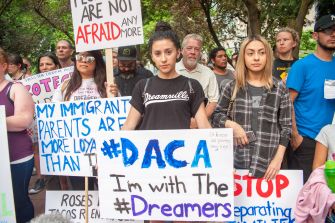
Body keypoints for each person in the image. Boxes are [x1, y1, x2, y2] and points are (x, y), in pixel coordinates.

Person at [122, 21, 211, 223]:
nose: (163, 58)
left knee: (184, 218)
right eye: (157, 53)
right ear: (152, 56)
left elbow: (204, 125)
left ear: (178, 52)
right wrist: (108, 157)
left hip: (183, 163)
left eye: (168, 52)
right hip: (151, 165)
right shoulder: (142, 86)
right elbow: (129, 126)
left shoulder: (192, 85)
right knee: (156, 219)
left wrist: (221, 159)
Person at [212, 35, 292, 180]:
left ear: (268, 56)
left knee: (266, 204)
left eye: (261, 53)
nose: (256, 58)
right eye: (250, 53)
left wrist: (278, 159)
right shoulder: (231, 87)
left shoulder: (279, 87)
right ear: (243, 57)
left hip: (269, 162)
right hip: (236, 163)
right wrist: (231, 125)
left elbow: (286, 127)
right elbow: (216, 116)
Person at [53, 50, 117, 189]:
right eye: (79, 57)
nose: (83, 60)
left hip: (103, 149)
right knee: (80, 192)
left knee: (105, 192)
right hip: (75, 152)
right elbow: (55, 116)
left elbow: (117, 114)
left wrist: (113, 95)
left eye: (89, 58)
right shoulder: (65, 86)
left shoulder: (108, 85)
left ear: (97, 61)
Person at [286, 14, 335, 183]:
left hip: (331, 142)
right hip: (307, 140)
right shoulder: (302, 66)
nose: (333, 34)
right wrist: (295, 136)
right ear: (315, 35)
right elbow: (287, 103)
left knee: (327, 195)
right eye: (328, 30)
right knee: (304, 194)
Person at [0, 48, 35, 222]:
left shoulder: (15, 89)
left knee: (17, 202)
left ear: (4, 66)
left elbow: (24, 119)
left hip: (16, 159)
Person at [29, 52, 61, 195]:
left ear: (56, 66)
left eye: (48, 64)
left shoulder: (69, 83)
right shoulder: (31, 84)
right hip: (44, 131)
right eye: (41, 64)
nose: (44, 67)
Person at [176, 34, 219, 128]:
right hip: (177, 126)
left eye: (197, 49)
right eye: (189, 48)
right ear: (182, 51)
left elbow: (213, 101)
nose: (193, 52)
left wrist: (197, 121)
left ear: (200, 53)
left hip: (202, 128)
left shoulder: (209, 73)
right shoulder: (173, 71)